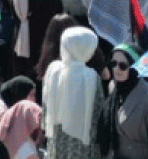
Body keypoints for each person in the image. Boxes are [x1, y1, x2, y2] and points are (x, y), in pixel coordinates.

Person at [41, 26, 102, 159]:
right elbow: (98, 110)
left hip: (58, 135)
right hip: (82, 137)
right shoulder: (91, 77)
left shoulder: (53, 69)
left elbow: (45, 104)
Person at [107, 44, 148, 159]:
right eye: (113, 63)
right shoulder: (114, 87)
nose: (117, 69)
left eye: (123, 65)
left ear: (134, 67)